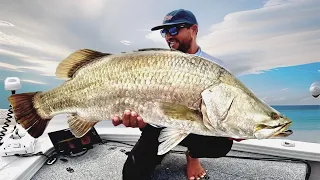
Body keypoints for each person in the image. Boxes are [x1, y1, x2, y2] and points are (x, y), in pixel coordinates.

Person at [112, 9, 240, 180]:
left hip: (196, 129)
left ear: (193, 30)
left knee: (222, 144)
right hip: (158, 126)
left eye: (174, 29)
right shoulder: (155, 63)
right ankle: (165, 145)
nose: (168, 36)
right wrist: (140, 121)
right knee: (132, 175)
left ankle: (192, 157)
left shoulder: (218, 67)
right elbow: (147, 105)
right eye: (164, 32)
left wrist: (236, 124)